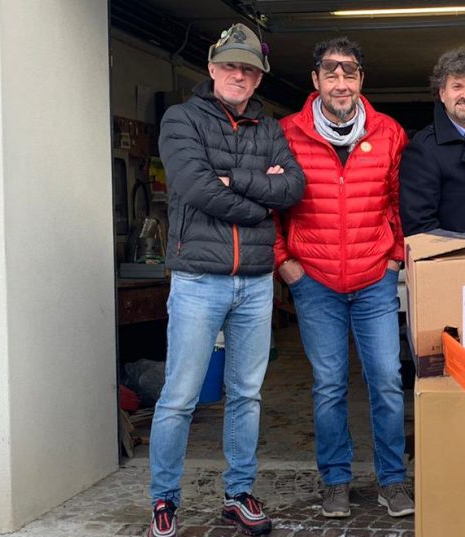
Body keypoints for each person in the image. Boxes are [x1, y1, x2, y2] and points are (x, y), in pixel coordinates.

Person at [149, 22, 305, 537]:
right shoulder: (181, 119)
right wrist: (260, 204)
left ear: (258, 79)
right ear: (212, 68)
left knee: (246, 395)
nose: (239, 75)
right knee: (180, 396)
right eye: (231, 66)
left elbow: (294, 188)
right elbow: (195, 187)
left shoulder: (270, 128)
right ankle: (164, 500)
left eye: (249, 70)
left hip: (256, 282)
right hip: (198, 280)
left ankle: (239, 494)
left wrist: (234, 179)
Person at [274, 37, 413, 519]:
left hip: (375, 278)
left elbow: (401, 203)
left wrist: (394, 257)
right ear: (315, 80)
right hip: (315, 281)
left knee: (387, 380)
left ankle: (392, 480)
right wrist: (284, 263)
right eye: (330, 72)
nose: (340, 82)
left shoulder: (388, 133)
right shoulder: (286, 134)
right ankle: (335, 480)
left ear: (361, 80)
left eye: (348, 72)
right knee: (329, 384)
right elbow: (269, 207)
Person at [400, 47, 465, 251]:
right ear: (442, 93)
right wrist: (461, 261)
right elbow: (420, 225)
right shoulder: (423, 148)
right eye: (457, 86)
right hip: (453, 263)